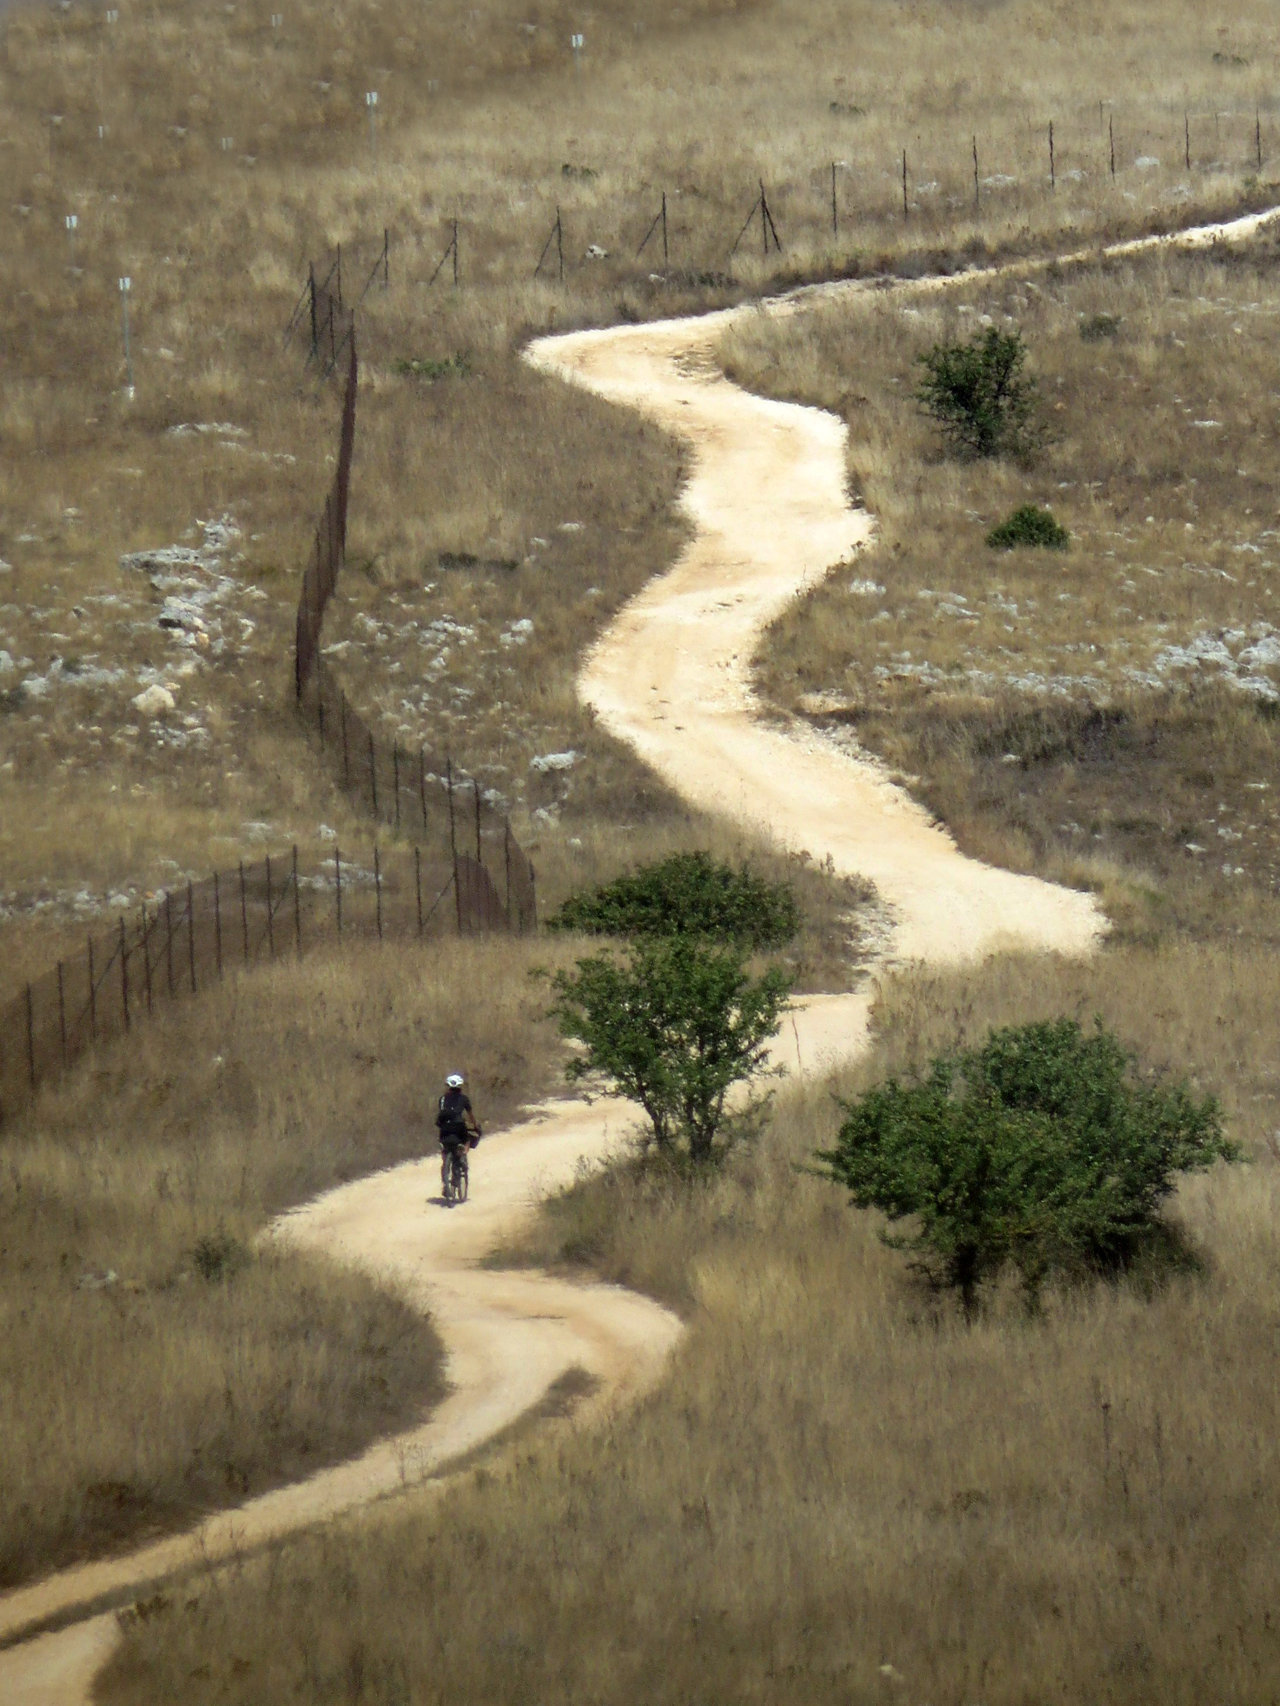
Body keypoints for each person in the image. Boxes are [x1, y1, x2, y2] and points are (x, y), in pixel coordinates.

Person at [436, 1072, 481, 1199]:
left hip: (444, 1129)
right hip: (458, 1126)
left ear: (448, 1086)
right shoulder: (464, 1099)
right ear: (460, 1086)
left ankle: (445, 1182)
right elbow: (470, 1115)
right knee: (466, 1139)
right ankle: (463, 1153)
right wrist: (475, 1125)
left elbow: (441, 1115)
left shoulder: (442, 1099)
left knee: (445, 1152)